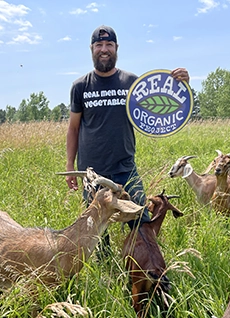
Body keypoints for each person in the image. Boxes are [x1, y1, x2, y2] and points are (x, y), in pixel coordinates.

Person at [65, 25, 190, 255]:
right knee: (96, 232)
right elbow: (73, 129)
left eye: (109, 45)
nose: (104, 49)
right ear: (92, 49)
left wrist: (180, 86)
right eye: (99, 45)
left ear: (116, 48)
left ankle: (143, 268)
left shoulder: (131, 82)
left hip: (125, 169)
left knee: (140, 221)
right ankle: (106, 273)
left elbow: (161, 106)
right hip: (92, 174)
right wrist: (70, 166)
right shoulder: (80, 87)